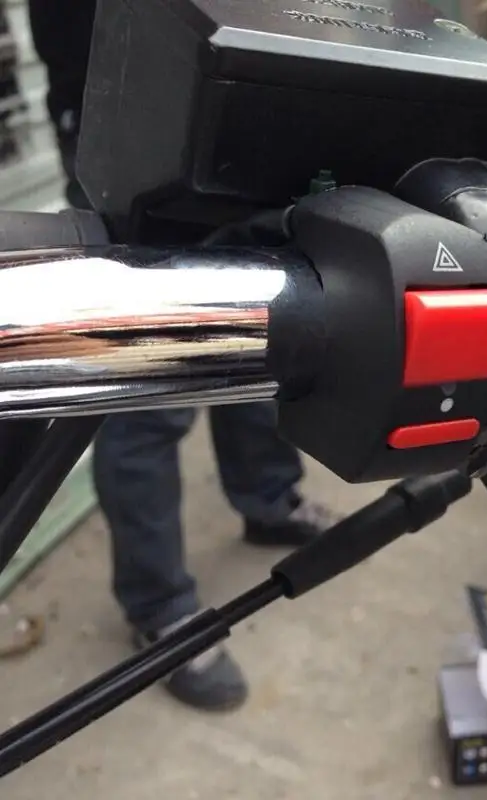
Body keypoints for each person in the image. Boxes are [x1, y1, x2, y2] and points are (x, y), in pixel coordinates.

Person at [27, 0, 335, 712]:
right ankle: (160, 607)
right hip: (134, 122)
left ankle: (267, 499)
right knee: (148, 392)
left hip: (251, 117)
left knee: (264, 328)